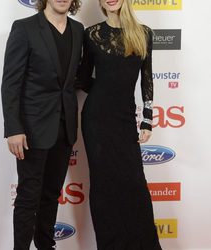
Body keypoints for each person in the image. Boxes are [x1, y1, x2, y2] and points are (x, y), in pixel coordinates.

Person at [77, 0, 162, 249]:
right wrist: (104, 94)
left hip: (125, 120)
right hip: (96, 121)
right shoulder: (91, 34)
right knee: (104, 187)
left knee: (134, 184)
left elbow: (147, 77)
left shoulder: (144, 33)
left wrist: (147, 119)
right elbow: (83, 78)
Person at [1, 0, 83, 249]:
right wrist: (13, 128)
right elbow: (11, 83)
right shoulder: (24, 28)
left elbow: (73, 78)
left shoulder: (78, 30)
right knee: (28, 197)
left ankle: (46, 245)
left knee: (51, 195)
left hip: (65, 126)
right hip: (32, 129)